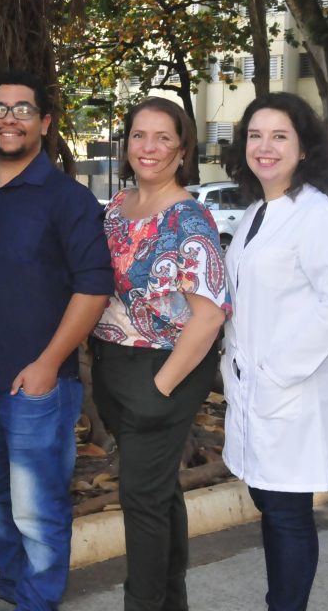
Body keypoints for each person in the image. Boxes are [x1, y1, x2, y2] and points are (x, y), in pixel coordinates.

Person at [0, 71, 113, 611]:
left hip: (40, 384)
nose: (9, 119)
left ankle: (37, 600)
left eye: (23, 109)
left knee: (36, 507)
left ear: (44, 123)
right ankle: (10, 586)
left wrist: (50, 362)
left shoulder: (67, 198)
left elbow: (94, 286)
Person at [89, 96, 229, 611]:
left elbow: (209, 315)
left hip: (162, 370)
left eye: (163, 138)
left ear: (182, 148)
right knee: (159, 494)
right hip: (114, 368)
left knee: (141, 502)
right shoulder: (117, 209)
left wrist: (161, 387)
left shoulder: (188, 220)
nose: (148, 147)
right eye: (139, 136)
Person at [222, 92, 328, 611]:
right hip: (255, 388)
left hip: (291, 391)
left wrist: (279, 368)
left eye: (280, 136)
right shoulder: (259, 211)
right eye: (256, 135)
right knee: (270, 504)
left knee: (286, 514)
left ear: (303, 149)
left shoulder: (317, 216)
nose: (265, 147)